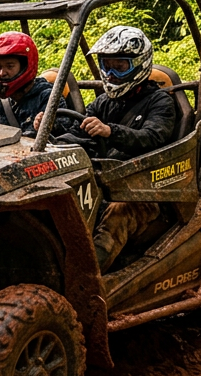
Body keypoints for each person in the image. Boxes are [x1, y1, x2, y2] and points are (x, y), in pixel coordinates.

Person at [35, 25, 177, 270]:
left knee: (119, 212)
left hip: (146, 190)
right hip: (106, 181)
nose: (110, 74)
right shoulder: (104, 101)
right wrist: (51, 131)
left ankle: (89, 278)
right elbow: (80, 133)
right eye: (106, 65)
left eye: (119, 66)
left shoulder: (160, 101)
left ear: (139, 64)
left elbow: (154, 137)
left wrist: (111, 131)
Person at [0, 31, 66, 137]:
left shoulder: (48, 98)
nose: (2, 73)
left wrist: (51, 126)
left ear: (24, 67)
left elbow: (67, 130)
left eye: (9, 66)